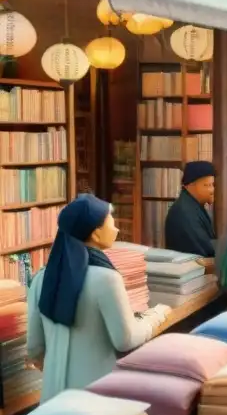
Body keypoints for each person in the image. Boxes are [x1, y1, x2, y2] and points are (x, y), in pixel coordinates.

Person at [27, 195, 157, 401]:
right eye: (111, 222)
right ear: (96, 234)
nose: (117, 229)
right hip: (96, 399)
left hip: (51, 402)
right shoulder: (107, 279)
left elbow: (34, 347)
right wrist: (155, 317)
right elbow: (125, 340)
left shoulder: (40, 279)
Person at [164, 160, 217, 258]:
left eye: (212, 185)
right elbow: (205, 249)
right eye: (207, 185)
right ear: (191, 185)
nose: (212, 190)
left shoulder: (193, 206)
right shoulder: (183, 213)